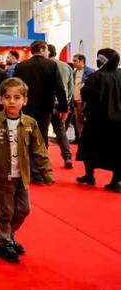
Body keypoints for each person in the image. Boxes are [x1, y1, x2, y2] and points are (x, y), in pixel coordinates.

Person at [0, 78, 54, 263]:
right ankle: (5, 240)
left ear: (25, 100)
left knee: (24, 209)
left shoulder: (31, 123)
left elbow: (39, 149)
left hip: (23, 175)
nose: (12, 101)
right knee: (6, 210)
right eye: (7, 97)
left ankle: (6, 234)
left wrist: (46, 171)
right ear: (0, 99)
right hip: (2, 175)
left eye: (17, 97)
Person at [14, 41, 68, 183]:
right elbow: (59, 88)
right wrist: (64, 108)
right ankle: (40, 170)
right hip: (45, 107)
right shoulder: (51, 65)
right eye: (47, 50)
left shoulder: (21, 66)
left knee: (26, 137)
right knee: (42, 137)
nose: (48, 52)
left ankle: (30, 170)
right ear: (43, 49)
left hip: (25, 107)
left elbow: (15, 87)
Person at [75, 48, 121, 193]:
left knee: (89, 147)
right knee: (117, 150)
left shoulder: (96, 76)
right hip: (118, 120)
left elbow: (86, 95)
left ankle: (90, 175)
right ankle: (116, 180)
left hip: (97, 119)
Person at [47, 44, 74, 168]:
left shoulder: (45, 65)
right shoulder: (66, 66)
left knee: (42, 130)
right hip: (61, 104)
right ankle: (67, 157)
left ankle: (43, 159)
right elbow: (70, 88)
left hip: (46, 103)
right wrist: (66, 102)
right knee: (60, 130)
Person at [72, 53, 95, 142]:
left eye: (75, 61)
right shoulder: (74, 72)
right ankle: (82, 140)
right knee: (78, 122)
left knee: (87, 122)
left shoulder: (91, 72)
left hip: (86, 101)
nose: (73, 62)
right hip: (76, 101)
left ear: (82, 61)